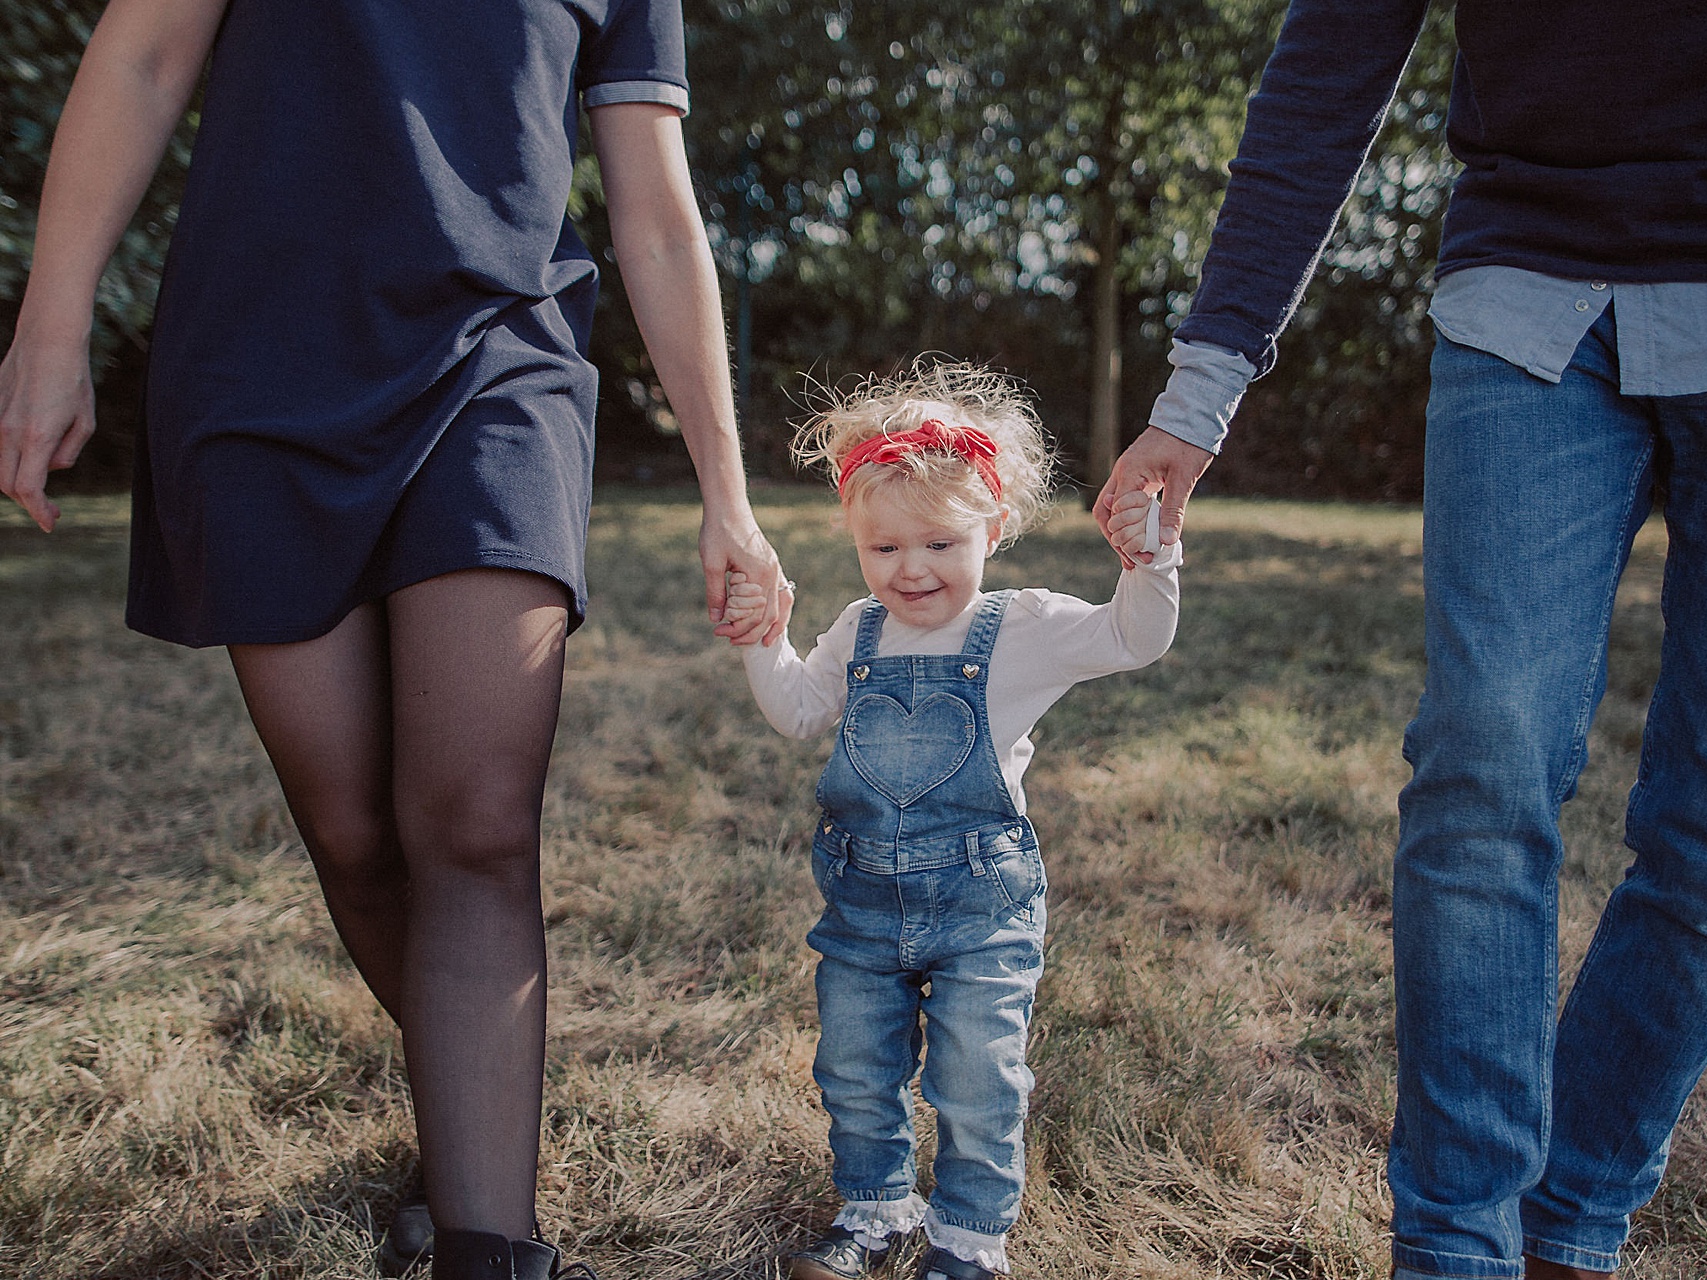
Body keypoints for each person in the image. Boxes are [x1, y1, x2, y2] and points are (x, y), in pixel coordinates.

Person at [1094, 4, 1707, 1279]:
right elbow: (1328, 69)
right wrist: (1200, 392)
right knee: (1483, 760)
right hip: (1536, 275)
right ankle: (1455, 1249)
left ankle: (1571, 1225)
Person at [0, 2, 788, 1277]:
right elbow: (144, 57)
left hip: (500, 358)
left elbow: (653, 205)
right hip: (258, 361)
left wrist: (728, 494)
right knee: (356, 830)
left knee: (473, 820)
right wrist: (51, 322)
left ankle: (490, 1241)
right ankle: (466, 1098)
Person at [720, 360, 1177, 1280]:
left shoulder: (1027, 627)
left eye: (938, 543)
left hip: (983, 911)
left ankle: (968, 1240)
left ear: (994, 528)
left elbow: (1136, 639)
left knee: (976, 1079)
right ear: (855, 540)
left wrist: (1149, 559)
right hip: (861, 909)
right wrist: (766, 638)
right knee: (854, 1071)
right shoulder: (857, 630)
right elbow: (803, 713)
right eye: (883, 549)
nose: (911, 570)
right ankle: (876, 1210)